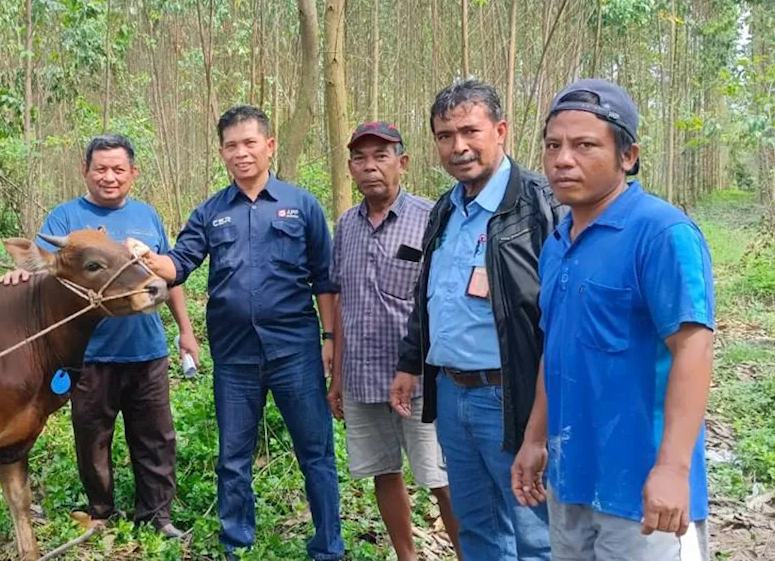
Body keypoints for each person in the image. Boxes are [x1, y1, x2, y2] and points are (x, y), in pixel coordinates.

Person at [511, 79, 715, 561]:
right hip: (572, 476)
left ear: (628, 156)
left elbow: (694, 348)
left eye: (585, 146)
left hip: (642, 492)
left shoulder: (661, 232)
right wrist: (535, 438)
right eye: (553, 146)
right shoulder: (559, 242)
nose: (563, 160)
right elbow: (555, 348)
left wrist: (671, 469)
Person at [131, 105, 344, 561]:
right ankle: (237, 546)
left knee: (317, 454)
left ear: (269, 146)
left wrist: (331, 341)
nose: (241, 153)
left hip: (296, 353)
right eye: (231, 145)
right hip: (235, 359)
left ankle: (328, 547)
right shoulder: (210, 212)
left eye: (250, 143)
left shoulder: (301, 204)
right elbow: (178, 263)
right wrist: (146, 258)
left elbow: (325, 280)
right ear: (222, 153)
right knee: (232, 460)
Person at [389, 80, 560, 561]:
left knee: (535, 532)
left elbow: (558, 318)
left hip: (513, 397)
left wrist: (543, 422)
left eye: (470, 131)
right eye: (445, 135)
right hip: (452, 395)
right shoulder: (445, 208)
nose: (458, 147)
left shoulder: (540, 206)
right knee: (477, 529)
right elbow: (431, 296)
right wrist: (410, 363)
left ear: (500, 130)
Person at [0, 134, 197, 538]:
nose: (109, 177)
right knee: (92, 435)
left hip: (146, 349)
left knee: (156, 435)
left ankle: (157, 516)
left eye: (118, 169)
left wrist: (186, 331)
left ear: (133, 172)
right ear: (85, 171)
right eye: (100, 169)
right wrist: (20, 273)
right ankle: (101, 512)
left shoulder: (148, 216)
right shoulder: (64, 219)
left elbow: (168, 276)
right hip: (87, 354)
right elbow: (41, 268)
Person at [327, 122, 463, 561]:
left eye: (381, 157)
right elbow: (344, 301)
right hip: (363, 375)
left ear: (401, 163)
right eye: (361, 159)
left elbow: (444, 300)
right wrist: (337, 378)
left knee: (439, 476)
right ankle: (407, 556)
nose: (371, 168)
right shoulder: (346, 226)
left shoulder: (431, 217)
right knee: (383, 471)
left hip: (420, 377)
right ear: (350, 168)